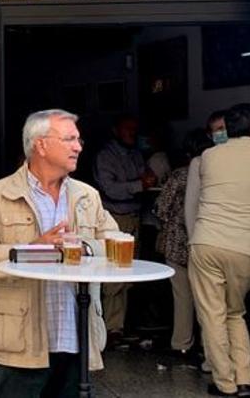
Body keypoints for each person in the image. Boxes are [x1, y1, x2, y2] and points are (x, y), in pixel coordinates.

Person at [0, 109, 119, 398]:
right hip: (23, 338)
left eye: (78, 139)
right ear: (41, 144)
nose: (79, 146)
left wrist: (84, 247)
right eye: (69, 139)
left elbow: (114, 240)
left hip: (77, 334)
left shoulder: (88, 196)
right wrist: (32, 248)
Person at [187, 103, 250, 397]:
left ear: (225, 130)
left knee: (212, 315)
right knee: (236, 313)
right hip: (244, 248)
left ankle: (224, 382)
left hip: (207, 241)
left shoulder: (209, 156)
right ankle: (245, 379)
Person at [155, 128, 214, 363]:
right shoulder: (214, 173)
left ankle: (181, 344)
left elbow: (161, 208)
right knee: (208, 298)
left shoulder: (180, 175)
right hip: (206, 241)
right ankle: (207, 346)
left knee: (182, 297)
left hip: (178, 243)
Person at [94, 114, 148, 346]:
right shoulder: (105, 156)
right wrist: (139, 184)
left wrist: (147, 180)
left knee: (127, 275)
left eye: (135, 130)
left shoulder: (136, 154)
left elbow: (143, 177)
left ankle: (119, 326)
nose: (132, 134)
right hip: (114, 219)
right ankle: (110, 328)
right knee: (113, 275)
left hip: (134, 217)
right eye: (128, 129)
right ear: (116, 130)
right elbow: (110, 189)